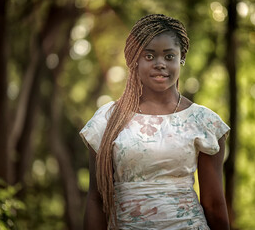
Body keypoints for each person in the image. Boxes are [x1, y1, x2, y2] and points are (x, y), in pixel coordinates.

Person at [80, 14, 230, 230]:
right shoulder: (106, 120)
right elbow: (95, 199)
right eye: (149, 56)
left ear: (182, 57)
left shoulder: (203, 122)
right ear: (135, 60)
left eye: (169, 56)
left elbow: (214, 202)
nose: (160, 64)